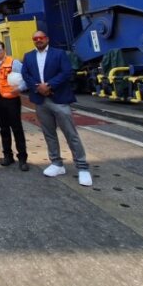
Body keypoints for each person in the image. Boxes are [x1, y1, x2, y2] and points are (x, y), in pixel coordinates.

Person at [22, 30, 92, 186]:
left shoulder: (59, 54)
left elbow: (66, 72)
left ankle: (82, 167)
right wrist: (38, 87)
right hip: (40, 100)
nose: (38, 40)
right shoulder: (29, 56)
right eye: (35, 38)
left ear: (47, 39)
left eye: (41, 38)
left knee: (71, 133)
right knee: (49, 133)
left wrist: (49, 85)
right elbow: (25, 74)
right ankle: (56, 163)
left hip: (58, 99)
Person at [0, 40, 29, 171]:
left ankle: (22, 158)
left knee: (17, 128)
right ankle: (7, 156)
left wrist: (20, 89)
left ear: (4, 50)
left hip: (11, 100)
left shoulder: (13, 63)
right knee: (3, 129)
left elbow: (25, 77)